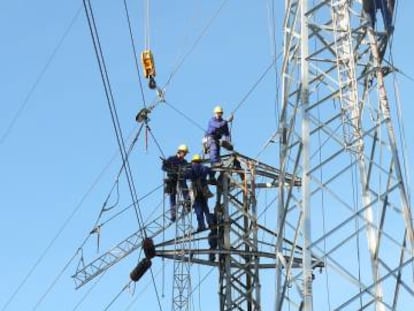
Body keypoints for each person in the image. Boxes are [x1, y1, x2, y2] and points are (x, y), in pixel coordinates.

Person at [185, 154, 214, 232]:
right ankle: (210, 223)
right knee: (205, 208)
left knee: (198, 209)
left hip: (196, 191)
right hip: (204, 190)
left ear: (193, 162)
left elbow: (185, 175)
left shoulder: (191, 169)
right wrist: (212, 177)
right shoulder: (205, 168)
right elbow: (211, 171)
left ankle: (201, 225)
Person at [162, 144, 191, 222]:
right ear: (180, 151)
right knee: (172, 196)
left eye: (185, 153)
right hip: (172, 179)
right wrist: (170, 169)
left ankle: (188, 203)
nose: (184, 155)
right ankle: (173, 214)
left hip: (181, 178)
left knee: (184, 187)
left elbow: (188, 171)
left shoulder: (184, 162)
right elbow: (163, 167)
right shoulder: (171, 159)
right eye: (184, 153)